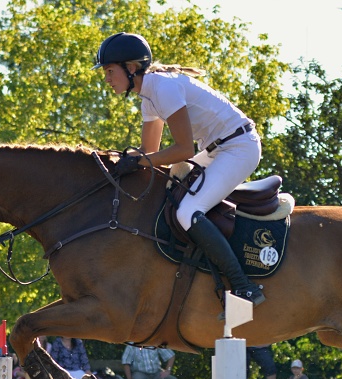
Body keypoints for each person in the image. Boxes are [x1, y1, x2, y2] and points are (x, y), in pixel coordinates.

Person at [95, 32, 265, 306]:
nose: (107, 79)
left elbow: (184, 150)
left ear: (132, 68)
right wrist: (117, 162)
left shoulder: (163, 88)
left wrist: (138, 161)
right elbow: (150, 153)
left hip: (238, 148)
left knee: (187, 211)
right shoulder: (148, 96)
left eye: (110, 71)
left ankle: (243, 286)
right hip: (217, 150)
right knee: (168, 193)